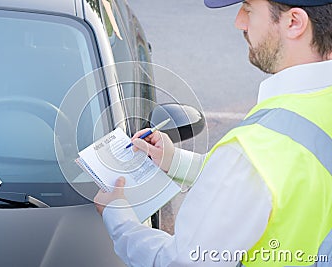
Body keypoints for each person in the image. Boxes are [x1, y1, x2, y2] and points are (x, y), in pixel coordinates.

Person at [94, 0, 332, 266]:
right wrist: (175, 162)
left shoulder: (253, 153)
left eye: (249, 8)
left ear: (294, 22)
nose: (239, 21)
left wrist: (120, 221)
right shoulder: (312, 112)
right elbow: (282, 185)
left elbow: (182, 262)